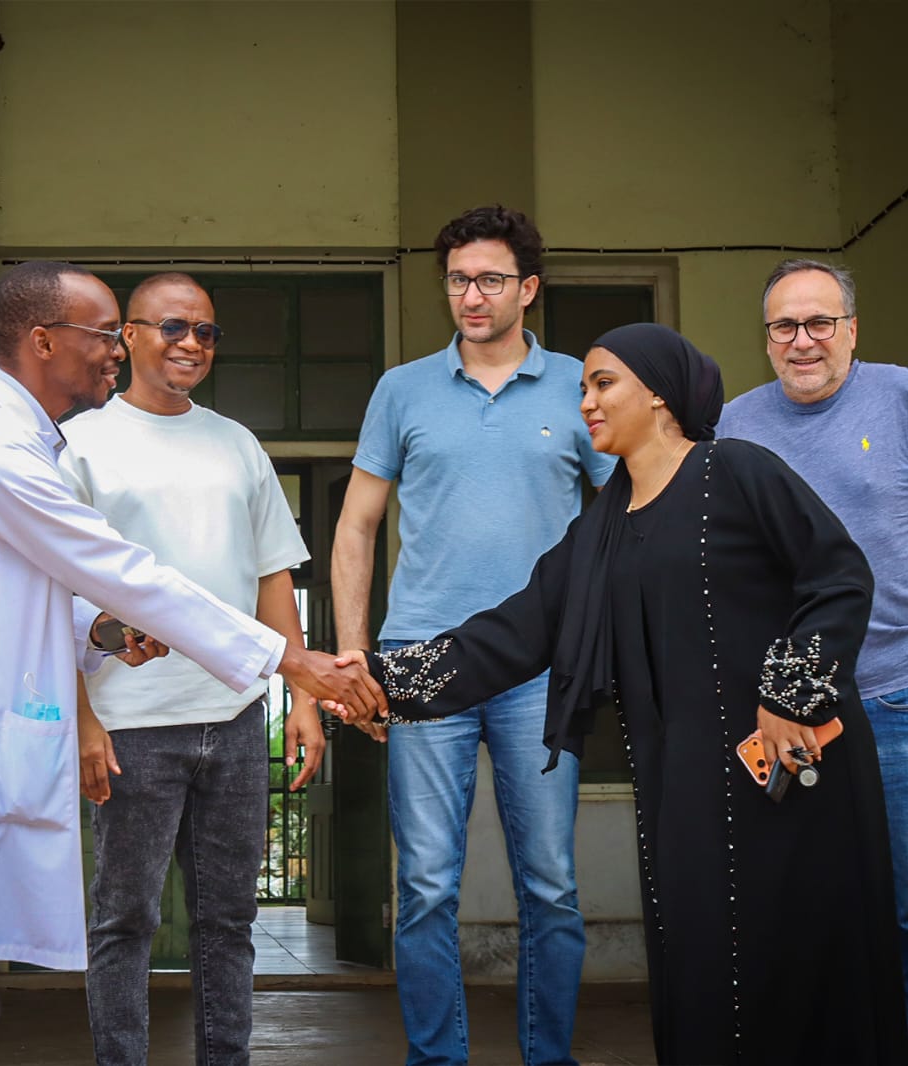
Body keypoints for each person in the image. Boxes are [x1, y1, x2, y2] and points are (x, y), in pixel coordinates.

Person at [0, 261, 384, 1066]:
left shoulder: (37, 444)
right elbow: (119, 570)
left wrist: (104, 633)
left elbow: (30, 595)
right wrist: (291, 662)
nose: (116, 349)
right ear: (44, 341)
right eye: (107, 333)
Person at [337, 322, 908, 1065]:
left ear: (661, 395)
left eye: (603, 384)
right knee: (702, 952)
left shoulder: (737, 470)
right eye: (582, 388)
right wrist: (376, 681)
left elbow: (837, 577)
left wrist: (790, 693)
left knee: (795, 949)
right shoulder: (602, 527)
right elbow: (512, 632)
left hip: (780, 766)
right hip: (683, 781)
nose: (586, 402)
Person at [720, 259, 908, 1064]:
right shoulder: (731, 428)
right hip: (784, 716)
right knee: (801, 912)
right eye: (785, 326)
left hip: (896, 698)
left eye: (821, 322)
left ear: (852, 329)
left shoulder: (907, 398)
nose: (803, 341)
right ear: (767, 339)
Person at [330, 205, 613, 1066]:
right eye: (458, 280)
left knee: (551, 886)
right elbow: (356, 526)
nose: (472, 295)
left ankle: (548, 1056)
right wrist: (354, 654)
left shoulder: (582, 384)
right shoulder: (402, 390)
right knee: (423, 888)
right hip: (422, 658)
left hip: (540, 663)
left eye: (491, 279)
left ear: (529, 289)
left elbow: (631, 513)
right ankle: (436, 1058)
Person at [61, 272, 322, 1066]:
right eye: (174, 327)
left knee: (228, 923)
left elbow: (273, 575)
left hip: (236, 721)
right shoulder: (82, 445)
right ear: (129, 335)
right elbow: (53, 592)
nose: (192, 344)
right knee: (124, 922)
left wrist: (302, 698)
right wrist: (84, 719)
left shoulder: (237, 444)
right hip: (130, 726)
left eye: (206, 332)